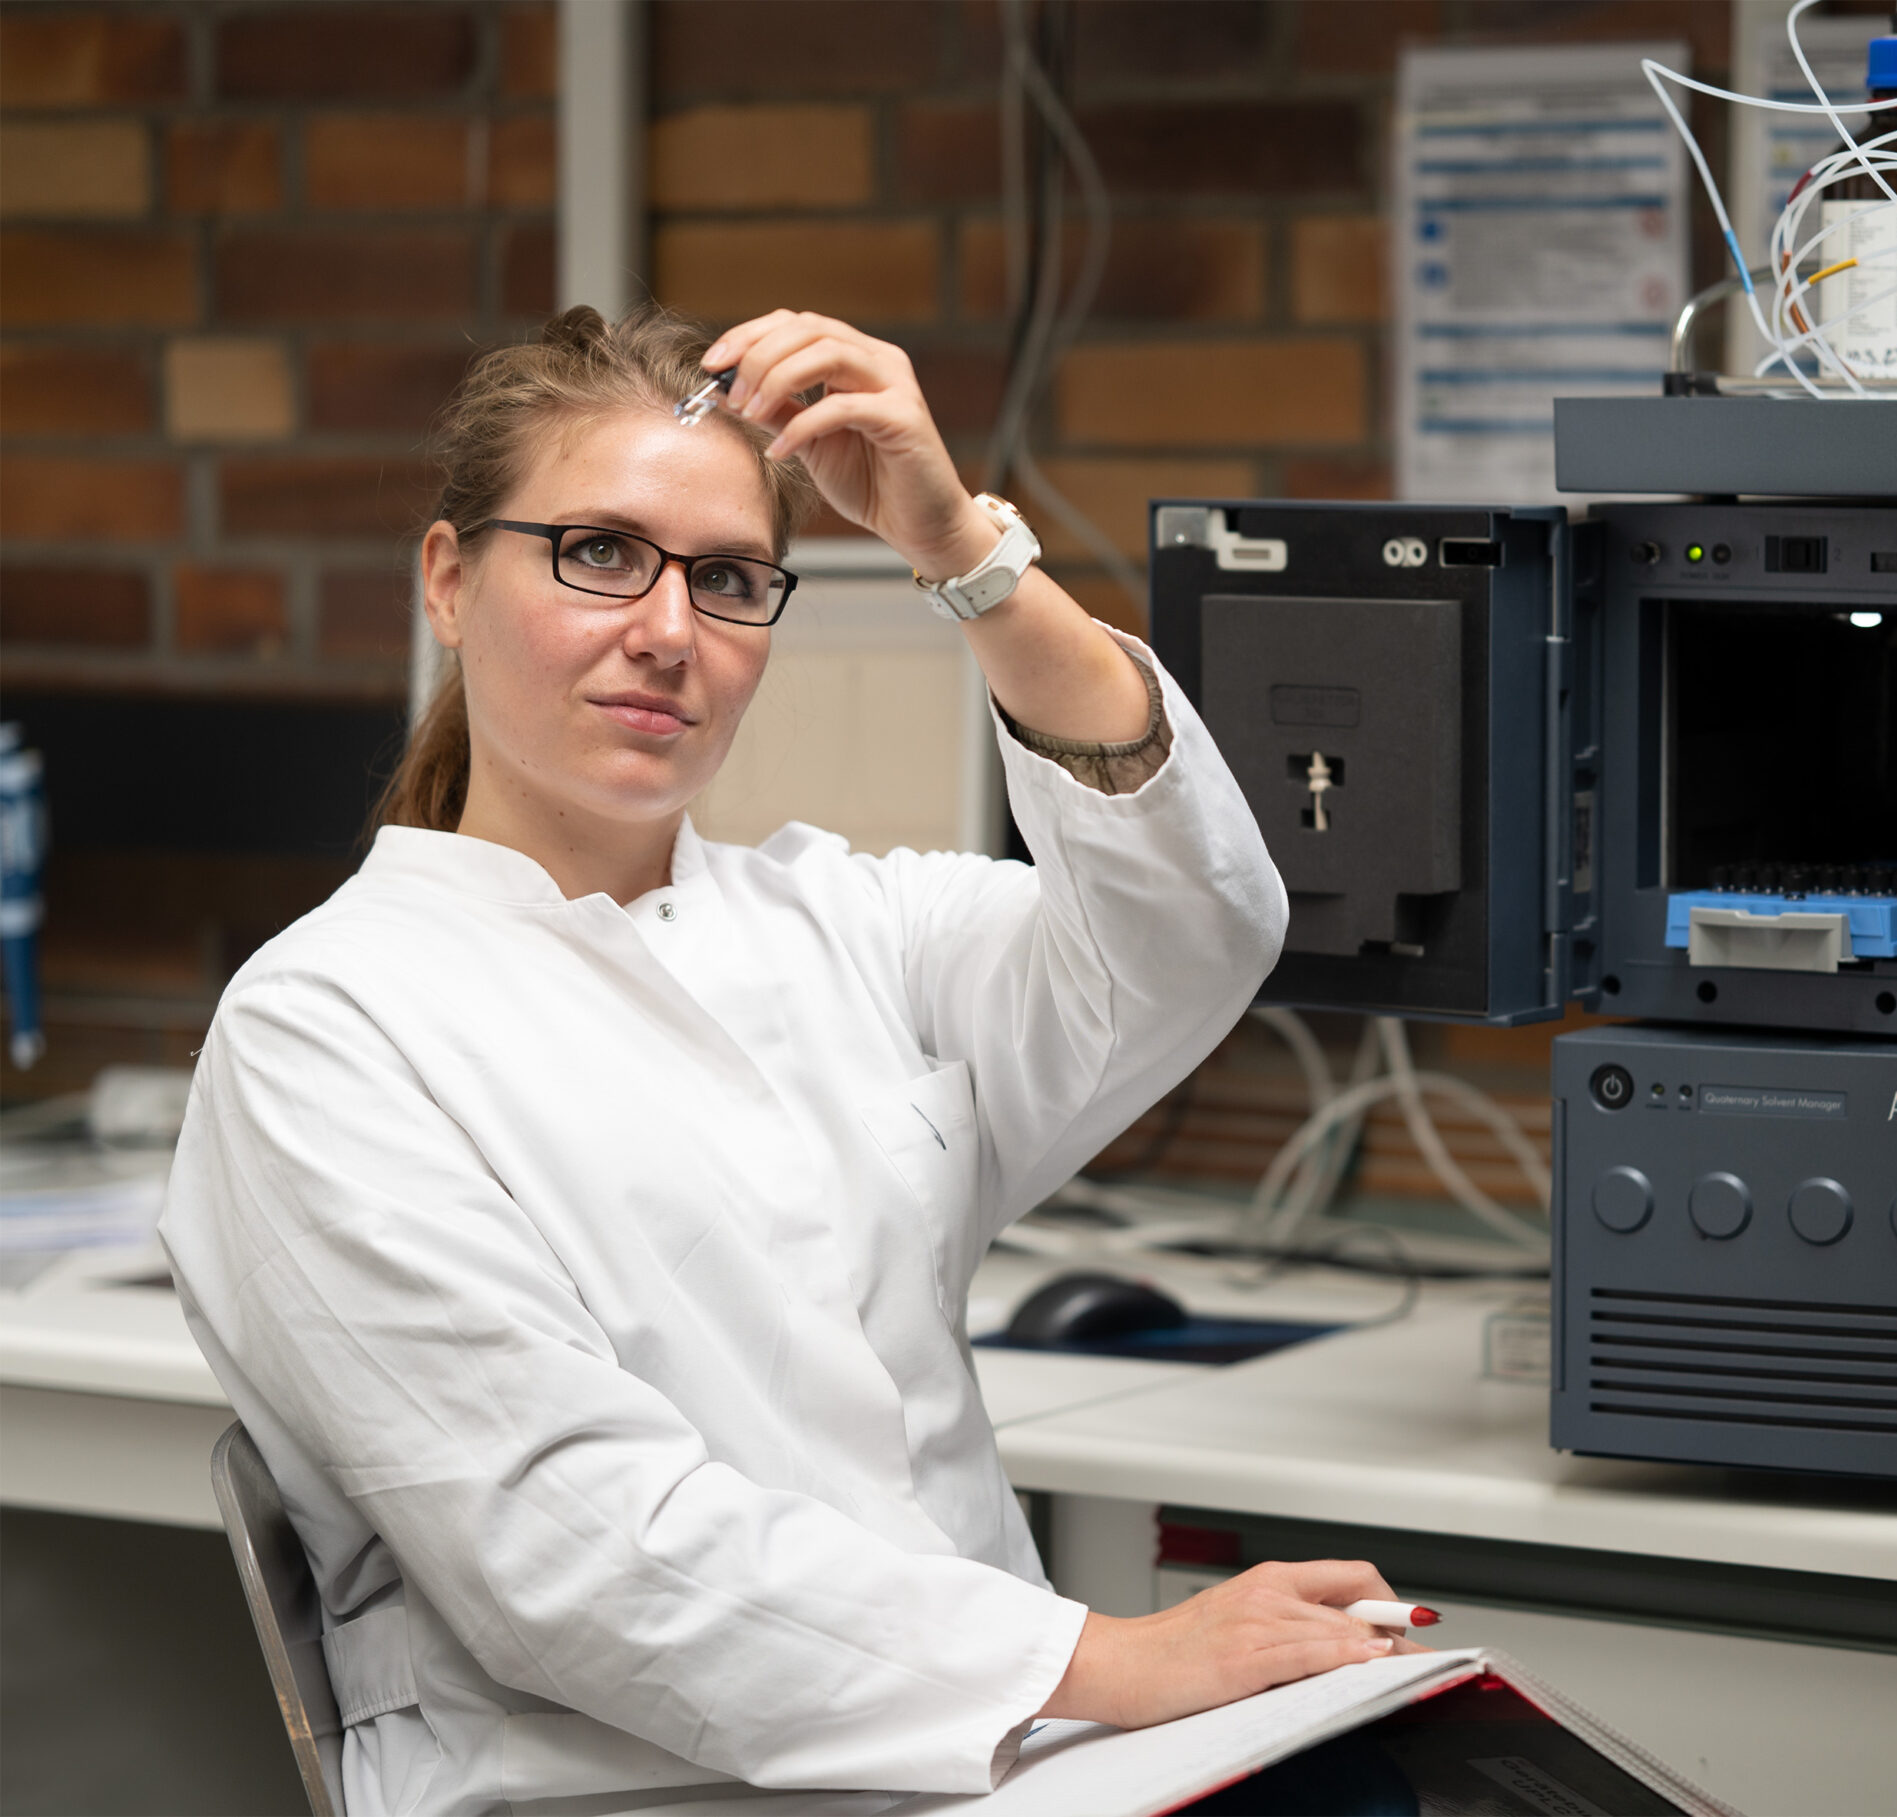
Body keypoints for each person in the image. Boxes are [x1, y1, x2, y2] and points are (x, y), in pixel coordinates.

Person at [159, 304, 1414, 1816]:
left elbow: (1197, 931)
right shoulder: (330, 1027)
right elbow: (578, 1551)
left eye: (733, 578)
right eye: (600, 552)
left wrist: (968, 556)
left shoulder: (846, 923)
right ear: (447, 578)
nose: (670, 631)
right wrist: (1110, 1659)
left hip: (1014, 1763)